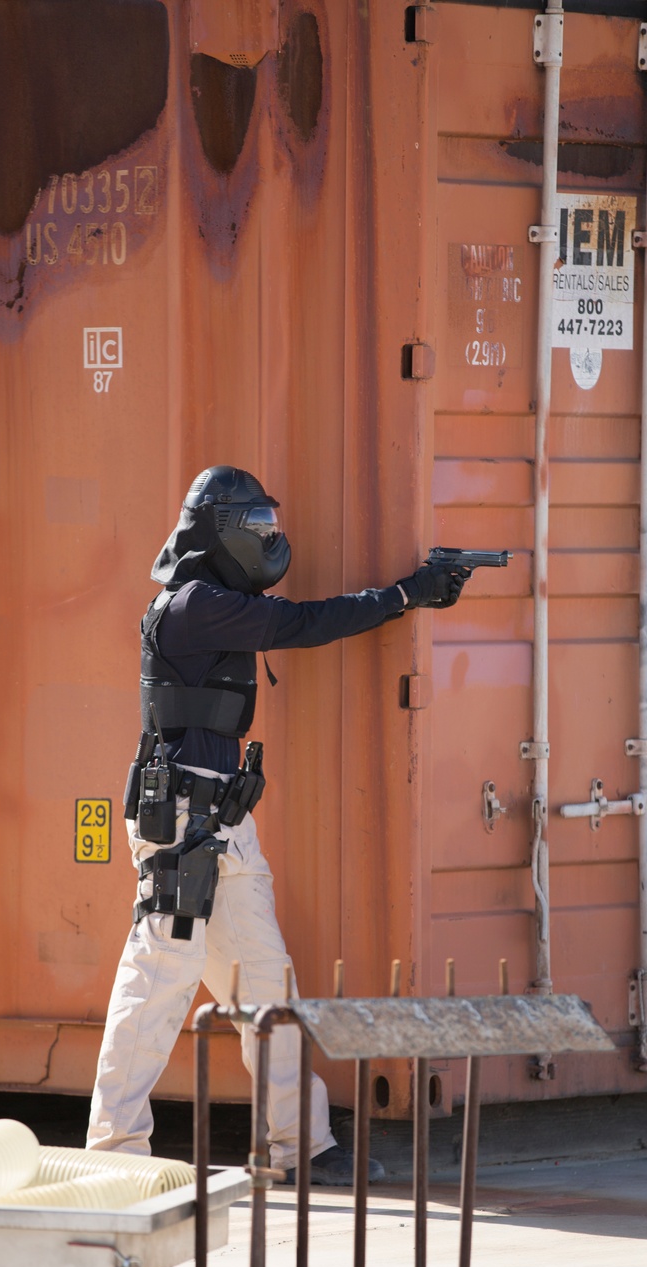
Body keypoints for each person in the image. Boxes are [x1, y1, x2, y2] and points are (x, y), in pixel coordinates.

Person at [86, 466, 466, 1184]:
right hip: (186, 827)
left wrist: (406, 596)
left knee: (265, 982)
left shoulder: (212, 601)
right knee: (158, 980)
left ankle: (301, 1146)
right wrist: (406, 595)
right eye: (254, 527)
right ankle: (113, 1155)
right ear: (220, 533)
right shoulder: (193, 604)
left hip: (221, 820)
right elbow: (301, 623)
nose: (268, 539)